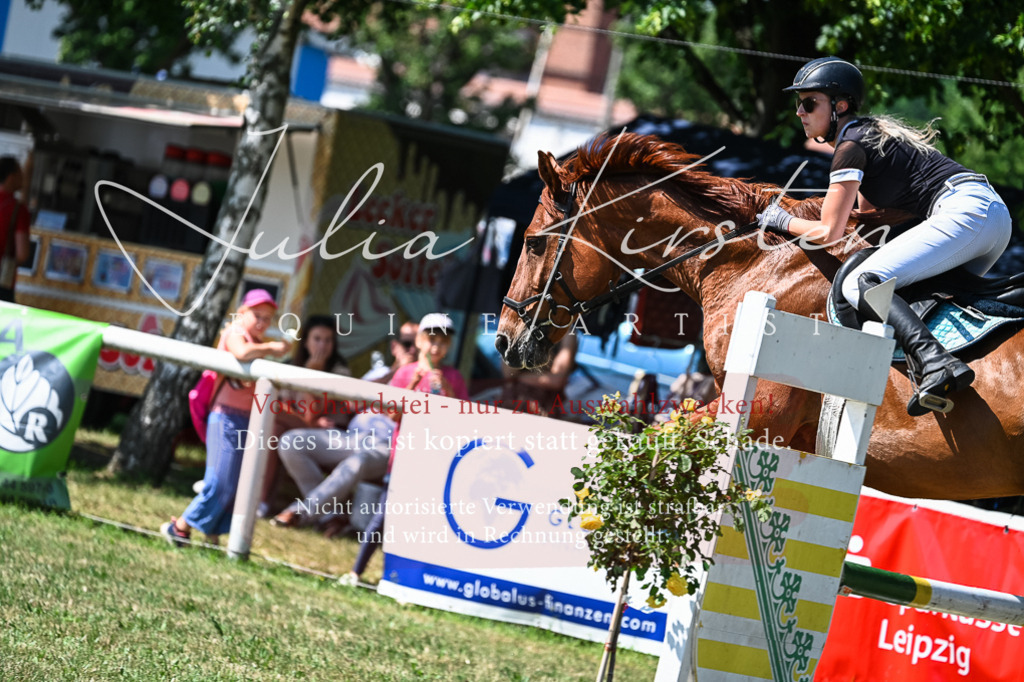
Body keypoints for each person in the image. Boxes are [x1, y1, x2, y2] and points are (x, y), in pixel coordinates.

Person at [757, 57, 1011, 416]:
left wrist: (779, 218)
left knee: (860, 282)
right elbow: (868, 221)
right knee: (919, 295)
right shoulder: (867, 136)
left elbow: (829, 232)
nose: (800, 111)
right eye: (799, 103)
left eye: (809, 102)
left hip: (967, 213)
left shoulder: (851, 146)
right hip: (989, 217)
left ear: (839, 105)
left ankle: (935, 363)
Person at [338, 312, 469, 586]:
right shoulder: (405, 373)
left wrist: (444, 387)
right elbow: (392, 415)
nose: (436, 347)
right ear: (420, 340)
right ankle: (356, 571)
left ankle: (405, 580)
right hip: (403, 456)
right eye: (431, 339)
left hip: (434, 460)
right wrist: (412, 383)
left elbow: (461, 417)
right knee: (382, 517)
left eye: (443, 342)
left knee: (418, 523)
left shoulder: (453, 377)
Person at [162, 289, 290, 545]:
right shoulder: (234, 333)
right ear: (242, 313)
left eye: (267, 318)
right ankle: (180, 526)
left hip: (247, 421)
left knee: (234, 484)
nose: (262, 322)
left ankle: (213, 534)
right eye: (257, 315)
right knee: (220, 482)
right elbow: (241, 353)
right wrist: (273, 348)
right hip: (225, 418)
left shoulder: (256, 342)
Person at [257, 314, 351, 518]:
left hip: (330, 438)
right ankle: (261, 500)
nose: (322, 346)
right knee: (274, 430)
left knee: (279, 432)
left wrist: (310, 379)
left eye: (328, 340)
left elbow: (311, 415)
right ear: (306, 341)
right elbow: (283, 409)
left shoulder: (340, 372)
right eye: (317, 339)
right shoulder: (291, 367)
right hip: (296, 429)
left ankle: (265, 500)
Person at [0, 155, 33, 302]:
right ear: (11, 177)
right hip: (2, 283)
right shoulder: (18, 210)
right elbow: (22, 254)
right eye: (21, 173)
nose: (23, 178)